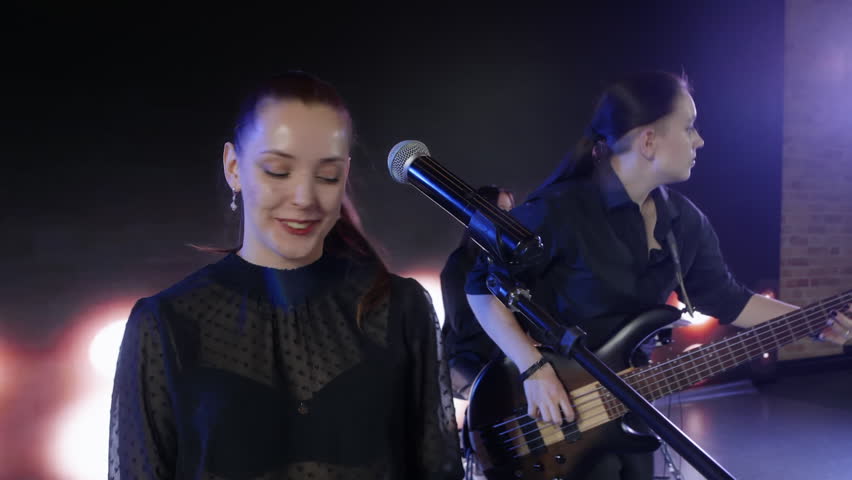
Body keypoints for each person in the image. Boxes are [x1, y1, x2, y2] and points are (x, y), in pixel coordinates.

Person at [464, 71, 852, 479]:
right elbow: (479, 287)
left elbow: (731, 301)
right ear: (648, 141)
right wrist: (533, 369)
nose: (699, 140)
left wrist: (816, 322)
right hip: (549, 410)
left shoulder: (684, 222)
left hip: (629, 399)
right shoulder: (558, 211)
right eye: (688, 128)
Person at [108, 71, 464, 480]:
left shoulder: (401, 308)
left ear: (344, 176)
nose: (304, 198)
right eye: (278, 170)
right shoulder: (165, 323)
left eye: (327, 176)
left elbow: (440, 469)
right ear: (233, 168)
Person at [441, 185, 515, 400]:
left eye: (510, 210)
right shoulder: (458, 264)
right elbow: (463, 324)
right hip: (473, 360)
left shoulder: (512, 257)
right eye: (501, 209)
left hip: (508, 352)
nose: (509, 217)